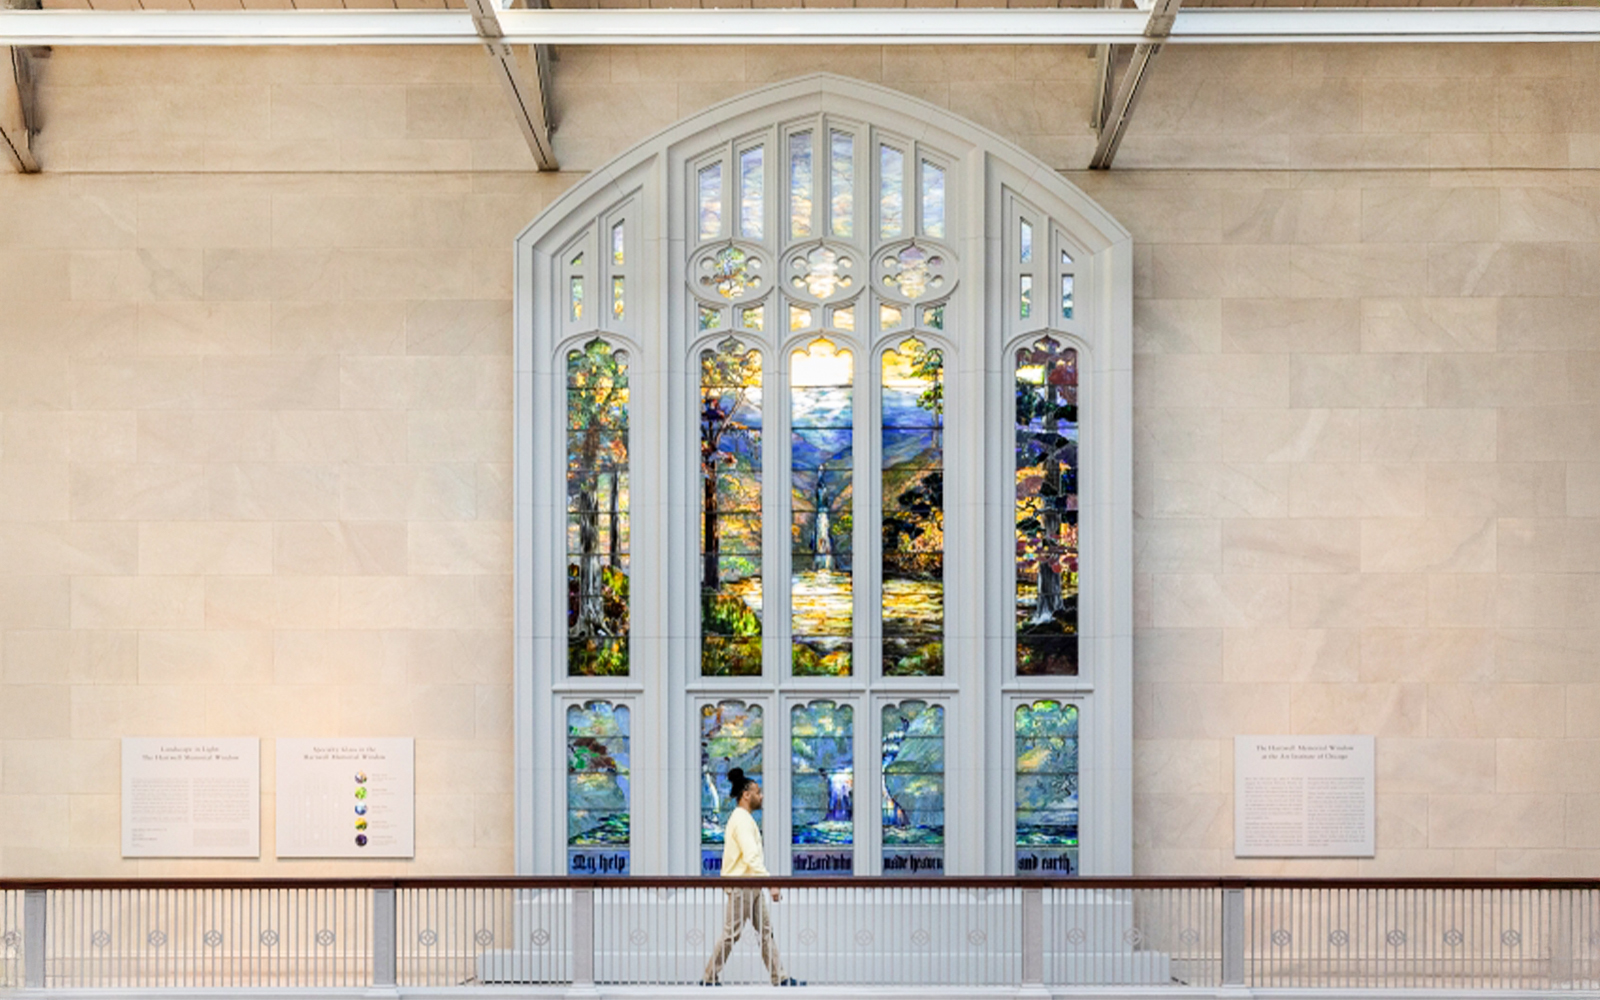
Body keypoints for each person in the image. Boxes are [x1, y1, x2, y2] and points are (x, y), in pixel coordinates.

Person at [702, 768, 803, 987]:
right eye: (758, 792)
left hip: (750, 883)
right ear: (746, 794)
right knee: (732, 933)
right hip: (742, 885)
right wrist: (770, 883)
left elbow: (751, 859)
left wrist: (763, 882)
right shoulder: (742, 820)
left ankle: (780, 977)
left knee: (765, 932)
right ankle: (709, 977)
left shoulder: (743, 819)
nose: (761, 796)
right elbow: (751, 856)